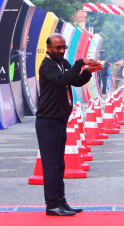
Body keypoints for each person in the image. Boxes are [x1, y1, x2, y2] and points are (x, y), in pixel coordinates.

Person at [35, 33, 103, 216]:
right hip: (47, 121)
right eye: (57, 48)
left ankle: (61, 202)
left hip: (60, 119)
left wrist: (88, 72)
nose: (61, 51)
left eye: (63, 47)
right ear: (48, 48)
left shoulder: (63, 63)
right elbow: (62, 80)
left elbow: (75, 81)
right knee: (51, 165)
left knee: (59, 164)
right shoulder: (47, 65)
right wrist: (81, 62)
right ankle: (52, 205)